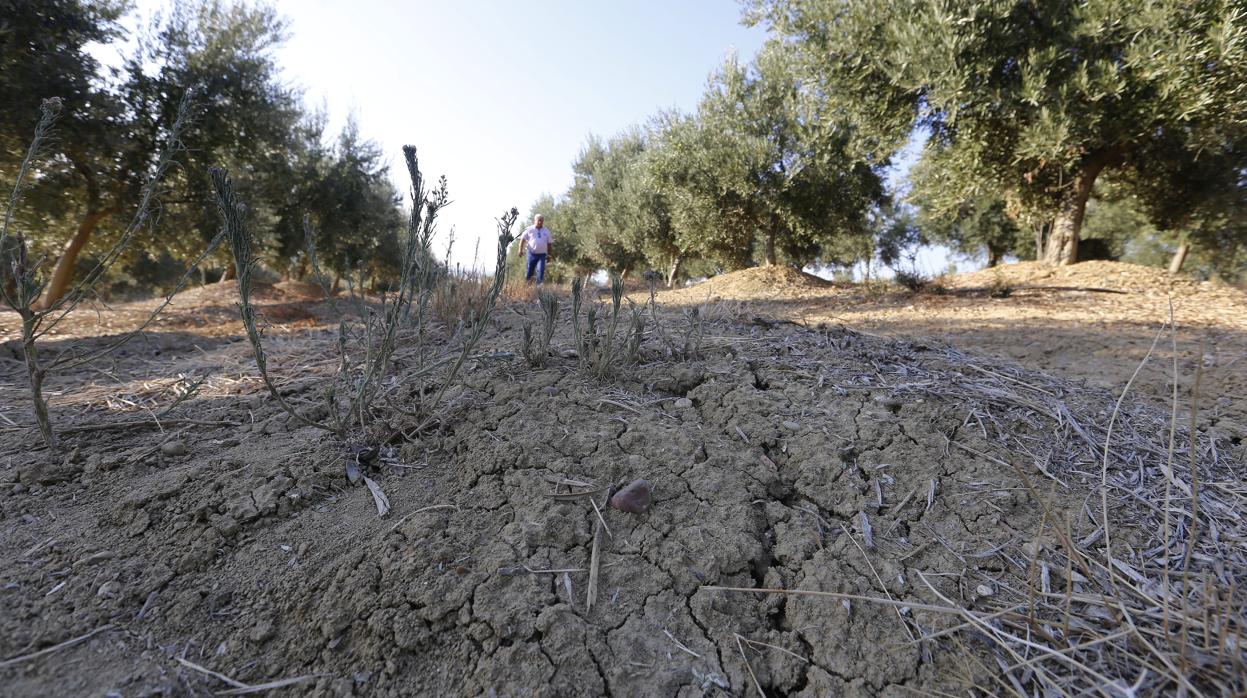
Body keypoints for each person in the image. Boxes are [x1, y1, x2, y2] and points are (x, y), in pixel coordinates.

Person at [518, 214, 554, 285]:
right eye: (539, 220)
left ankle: (538, 288)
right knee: (529, 271)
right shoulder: (529, 229)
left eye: (541, 221)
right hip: (531, 254)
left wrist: (549, 255)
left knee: (540, 270)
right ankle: (527, 286)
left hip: (542, 255)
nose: (540, 222)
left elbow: (549, 244)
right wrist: (520, 250)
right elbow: (522, 240)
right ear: (535, 221)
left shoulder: (546, 231)